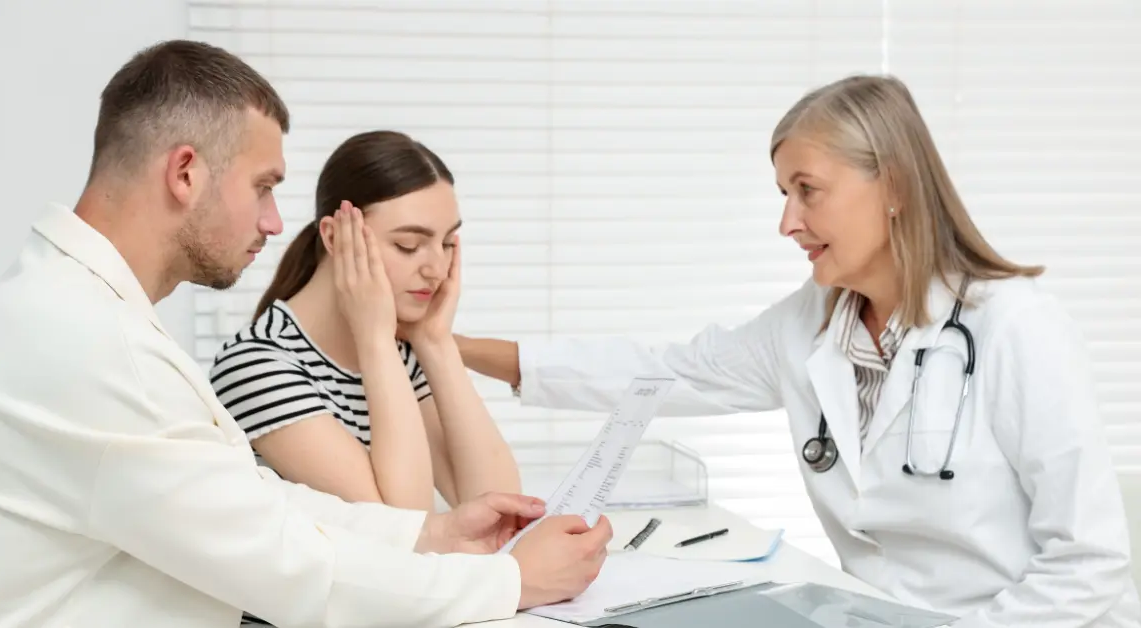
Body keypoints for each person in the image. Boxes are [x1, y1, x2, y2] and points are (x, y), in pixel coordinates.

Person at [0, 39, 611, 628]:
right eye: (262, 187)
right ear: (184, 173)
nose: (271, 221)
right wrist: (513, 581)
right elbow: (292, 569)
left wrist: (430, 533)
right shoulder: (88, 344)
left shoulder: (73, 311)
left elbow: (254, 504)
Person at [455, 75, 1140, 627]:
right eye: (785, 194)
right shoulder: (808, 327)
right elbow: (658, 373)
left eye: (807, 191)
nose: (787, 222)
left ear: (895, 186)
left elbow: (1090, 563)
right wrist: (448, 347)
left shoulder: (1015, 327)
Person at [209, 130, 519, 519]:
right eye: (408, 245)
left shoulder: (404, 355)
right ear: (336, 237)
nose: (437, 269)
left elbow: (504, 509)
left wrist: (436, 342)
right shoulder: (256, 368)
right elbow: (404, 526)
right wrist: (374, 337)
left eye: (448, 244)